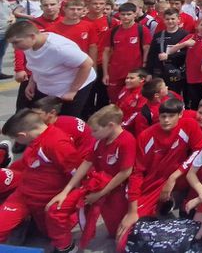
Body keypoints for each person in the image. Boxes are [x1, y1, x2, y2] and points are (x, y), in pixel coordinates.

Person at [116, 98, 202, 245]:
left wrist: (174, 177)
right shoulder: (146, 136)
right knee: (123, 237)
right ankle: (163, 205)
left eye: (171, 116)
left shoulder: (189, 125)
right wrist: (132, 210)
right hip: (154, 182)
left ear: (180, 114)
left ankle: (182, 200)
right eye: (163, 116)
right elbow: (137, 173)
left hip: (180, 175)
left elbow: (200, 150)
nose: (166, 120)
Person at [46, 105, 136, 246]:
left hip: (117, 191)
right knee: (57, 209)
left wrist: (100, 194)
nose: (91, 134)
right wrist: (66, 191)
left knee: (118, 234)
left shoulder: (126, 141)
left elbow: (125, 172)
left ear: (110, 126)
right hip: (99, 186)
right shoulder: (99, 141)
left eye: (95, 130)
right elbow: (87, 163)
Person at [0, 109, 80, 252]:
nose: (17, 143)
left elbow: (77, 175)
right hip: (23, 196)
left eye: (16, 139)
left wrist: (66, 196)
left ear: (22, 135)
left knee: (50, 233)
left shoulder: (57, 144)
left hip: (45, 201)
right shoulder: (36, 142)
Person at [7, 20, 96, 117]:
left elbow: (87, 64)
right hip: (49, 85)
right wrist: (32, 82)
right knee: (42, 116)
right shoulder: (29, 45)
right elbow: (36, 64)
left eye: (16, 42)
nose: (14, 47)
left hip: (73, 85)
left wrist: (72, 91)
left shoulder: (59, 48)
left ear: (32, 36)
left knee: (66, 118)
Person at [102, 2, 150, 104]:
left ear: (135, 14)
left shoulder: (142, 30)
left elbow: (147, 49)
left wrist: (145, 68)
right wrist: (105, 73)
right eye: (123, 14)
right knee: (115, 100)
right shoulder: (112, 31)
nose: (125, 17)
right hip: (115, 72)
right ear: (119, 15)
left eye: (128, 14)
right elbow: (106, 52)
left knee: (134, 101)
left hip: (135, 73)